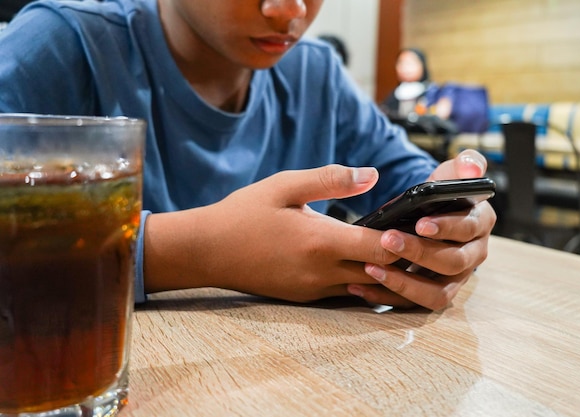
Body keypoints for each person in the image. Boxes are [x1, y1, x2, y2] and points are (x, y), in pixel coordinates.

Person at [0, 0, 496, 311]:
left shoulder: (314, 73)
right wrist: (195, 252)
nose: (289, 10)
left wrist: (452, 223)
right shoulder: (63, 44)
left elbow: (415, 179)